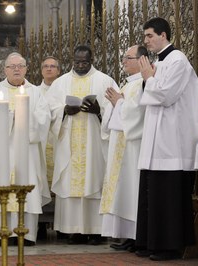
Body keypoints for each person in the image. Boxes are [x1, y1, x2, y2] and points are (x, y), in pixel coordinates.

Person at [134, 17, 198, 261]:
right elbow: (149, 96)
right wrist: (147, 77)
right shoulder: (156, 62)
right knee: (151, 192)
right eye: (145, 36)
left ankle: (169, 246)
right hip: (154, 138)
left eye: (150, 35)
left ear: (164, 35)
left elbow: (167, 96)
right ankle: (149, 242)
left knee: (168, 196)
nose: (146, 40)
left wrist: (149, 78)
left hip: (172, 141)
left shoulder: (178, 60)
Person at [45, 45, 119, 245]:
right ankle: (74, 231)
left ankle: (96, 231)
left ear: (92, 59)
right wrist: (63, 111)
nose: (80, 65)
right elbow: (48, 110)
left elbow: (118, 108)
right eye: (76, 62)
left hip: (94, 142)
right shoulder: (60, 83)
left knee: (93, 180)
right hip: (68, 142)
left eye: (84, 62)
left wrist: (99, 111)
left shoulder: (105, 81)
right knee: (71, 182)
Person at [0, 52, 51, 245]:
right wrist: (8, 116)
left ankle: (25, 234)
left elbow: (44, 120)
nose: (17, 69)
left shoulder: (35, 92)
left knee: (25, 184)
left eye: (20, 66)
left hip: (26, 151)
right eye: (12, 67)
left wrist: (23, 118)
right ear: (5, 70)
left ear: (27, 69)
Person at [99, 45, 148, 251]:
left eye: (128, 58)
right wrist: (114, 104)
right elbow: (113, 118)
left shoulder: (143, 84)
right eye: (124, 57)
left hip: (133, 147)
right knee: (122, 191)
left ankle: (137, 235)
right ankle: (127, 235)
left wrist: (119, 103)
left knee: (131, 189)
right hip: (120, 145)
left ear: (141, 60)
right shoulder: (128, 85)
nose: (124, 61)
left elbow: (138, 114)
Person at [37, 56, 61, 240]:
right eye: (46, 66)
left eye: (53, 66)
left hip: (58, 141)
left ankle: (60, 223)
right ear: (41, 70)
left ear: (59, 70)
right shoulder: (34, 91)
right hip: (40, 144)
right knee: (39, 181)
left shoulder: (63, 89)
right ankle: (40, 225)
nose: (49, 69)